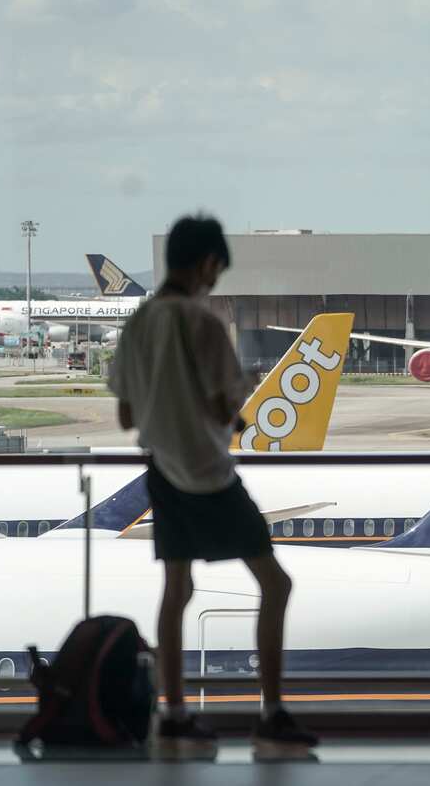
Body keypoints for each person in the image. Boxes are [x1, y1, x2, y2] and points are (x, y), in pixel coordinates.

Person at [109, 212, 316, 747]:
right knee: (275, 583)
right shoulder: (203, 323)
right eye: (216, 271)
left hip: (162, 474)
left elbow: (128, 417)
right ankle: (271, 712)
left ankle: (172, 711)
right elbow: (228, 406)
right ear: (205, 264)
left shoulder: (138, 323)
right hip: (209, 474)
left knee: (176, 591)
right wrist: (238, 393)